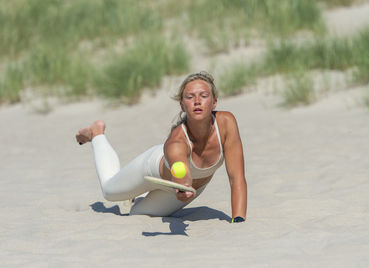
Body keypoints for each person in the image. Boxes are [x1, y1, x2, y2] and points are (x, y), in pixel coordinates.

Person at [76, 71, 247, 222]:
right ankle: (97, 134)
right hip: (151, 170)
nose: (197, 101)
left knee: (136, 214)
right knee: (109, 192)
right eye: (190, 97)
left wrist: (238, 219)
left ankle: (140, 195)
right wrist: (183, 187)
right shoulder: (177, 141)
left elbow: (236, 177)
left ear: (214, 102)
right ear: (182, 105)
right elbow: (181, 172)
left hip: (187, 188)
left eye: (203, 95)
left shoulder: (226, 123)